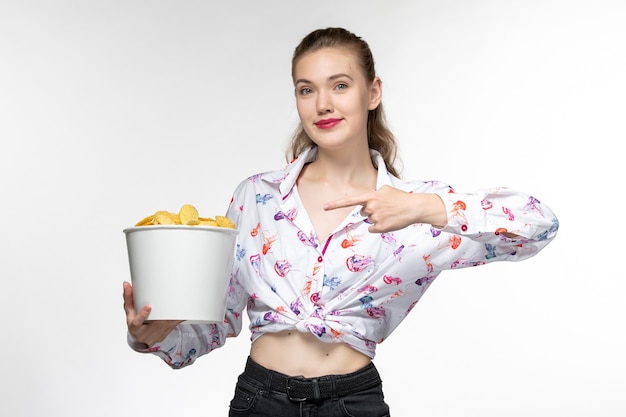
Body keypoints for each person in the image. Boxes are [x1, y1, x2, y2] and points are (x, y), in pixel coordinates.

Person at [123, 27, 559, 416]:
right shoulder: (256, 196)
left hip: (352, 404)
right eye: (307, 89)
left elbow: (538, 225)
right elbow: (218, 321)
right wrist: (156, 334)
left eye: (340, 85)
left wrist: (423, 207)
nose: (323, 104)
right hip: (260, 400)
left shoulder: (416, 208)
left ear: (372, 93)